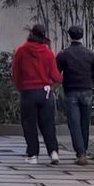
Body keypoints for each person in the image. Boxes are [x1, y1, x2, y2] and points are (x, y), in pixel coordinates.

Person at [12, 23, 63, 165]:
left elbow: (16, 73)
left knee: (29, 123)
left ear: (31, 34)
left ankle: (33, 154)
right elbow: (56, 76)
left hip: (28, 92)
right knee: (48, 123)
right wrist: (53, 85)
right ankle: (53, 152)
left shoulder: (21, 51)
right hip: (45, 93)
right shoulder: (48, 53)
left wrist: (20, 86)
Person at [56, 25, 94, 166]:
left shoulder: (64, 54)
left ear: (69, 36)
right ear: (82, 36)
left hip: (71, 92)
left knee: (74, 123)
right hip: (87, 91)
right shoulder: (90, 54)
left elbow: (56, 72)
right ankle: (84, 151)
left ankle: (81, 152)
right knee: (84, 123)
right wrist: (89, 80)